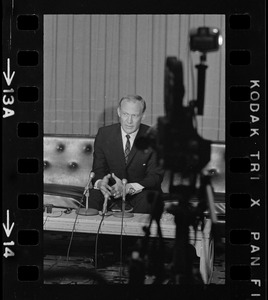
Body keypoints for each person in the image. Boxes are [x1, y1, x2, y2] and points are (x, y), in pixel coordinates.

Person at [87, 95, 164, 214]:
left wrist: (128, 187)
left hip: (140, 191)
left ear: (143, 116)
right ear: (119, 112)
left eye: (134, 115)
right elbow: (98, 170)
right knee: (93, 196)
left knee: (149, 199)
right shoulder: (104, 134)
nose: (129, 121)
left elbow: (155, 176)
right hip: (111, 190)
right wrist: (101, 183)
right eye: (125, 114)